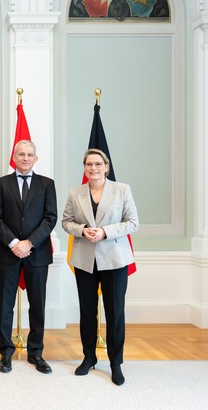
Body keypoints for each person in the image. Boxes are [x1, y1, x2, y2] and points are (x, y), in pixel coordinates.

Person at [61, 148, 139, 386]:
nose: (93, 168)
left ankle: (115, 363)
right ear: (84, 168)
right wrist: (82, 230)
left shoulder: (122, 190)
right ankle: (89, 357)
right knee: (87, 311)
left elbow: (132, 222)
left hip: (114, 259)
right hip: (85, 260)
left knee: (115, 312)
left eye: (97, 164)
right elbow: (66, 222)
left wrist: (105, 231)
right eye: (89, 164)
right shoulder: (75, 193)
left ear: (106, 167)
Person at [0, 140, 57, 374]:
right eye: (21, 154)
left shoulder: (47, 184)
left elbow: (50, 218)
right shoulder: (2, 184)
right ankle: (6, 353)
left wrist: (29, 243)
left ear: (35, 158)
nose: (25, 158)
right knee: (5, 305)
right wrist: (14, 243)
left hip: (37, 253)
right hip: (8, 253)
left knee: (37, 305)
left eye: (29, 154)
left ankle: (36, 352)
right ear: (14, 157)